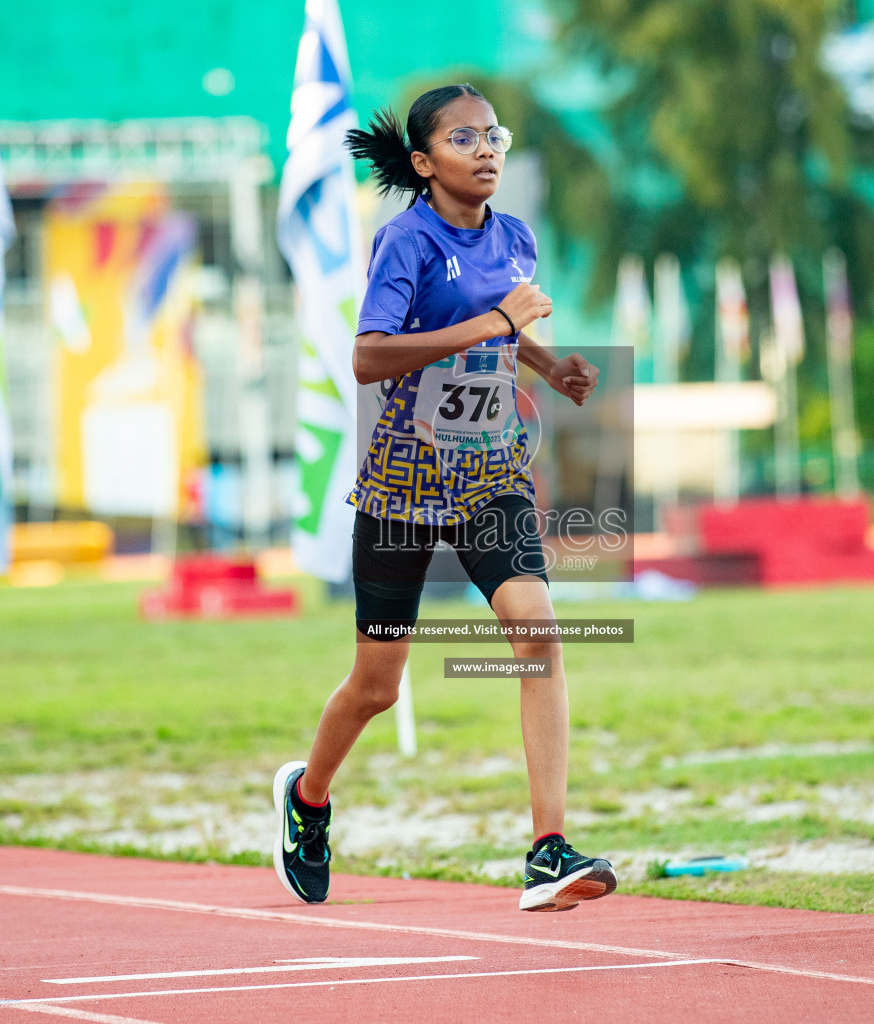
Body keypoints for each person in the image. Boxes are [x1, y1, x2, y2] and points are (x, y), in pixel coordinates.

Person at [273, 84, 613, 913]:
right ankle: (308, 799)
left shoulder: (516, 237)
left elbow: (502, 330)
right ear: (425, 164)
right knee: (378, 685)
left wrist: (546, 363)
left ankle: (547, 849)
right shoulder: (405, 243)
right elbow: (369, 358)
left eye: (494, 134)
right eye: (466, 139)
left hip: (490, 472)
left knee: (537, 632)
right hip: (402, 479)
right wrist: (497, 323)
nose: (488, 149)